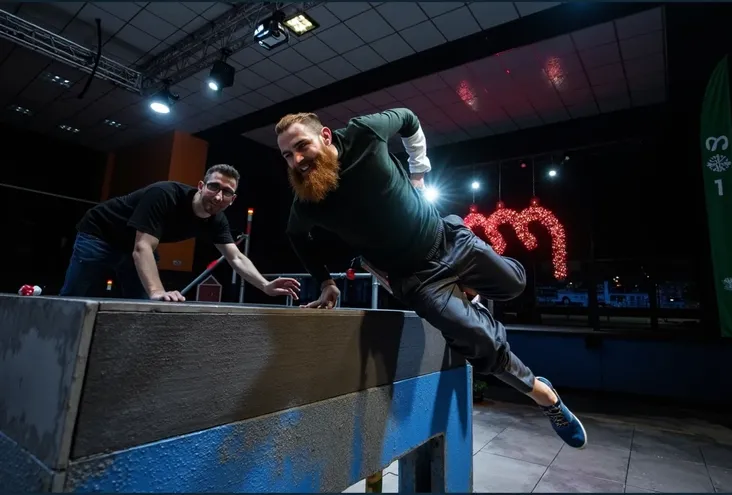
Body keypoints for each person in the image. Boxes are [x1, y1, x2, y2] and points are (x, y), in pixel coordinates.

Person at [274, 109, 586, 449]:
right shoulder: (307, 200)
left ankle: (469, 298)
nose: (297, 160)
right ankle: (547, 398)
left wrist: (419, 168)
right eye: (288, 155)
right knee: (481, 348)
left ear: (326, 136)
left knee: (515, 285)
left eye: (302, 146)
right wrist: (325, 282)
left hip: (448, 239)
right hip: (417, 279)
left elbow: (408, 118)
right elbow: (295, 236)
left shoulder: (364, 132)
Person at [60, 164, 300, 302]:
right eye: (214, 187)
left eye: (226, 192)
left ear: (232, 199)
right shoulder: (164, 195)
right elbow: (142, 247)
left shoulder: (217, 220)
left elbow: (236, 257)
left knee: (144, 306)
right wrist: (157, 291)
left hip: (134, 246)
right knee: (74, 296)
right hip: (100, 234)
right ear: (201, 186)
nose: (218, 196)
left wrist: (266, 285)